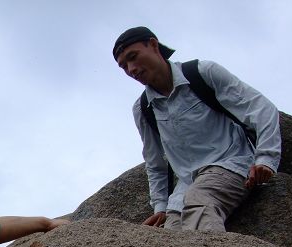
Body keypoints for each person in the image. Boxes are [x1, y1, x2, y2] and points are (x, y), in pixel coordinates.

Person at [113, 26, 281, 231]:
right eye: (123, 66)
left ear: (154, 45)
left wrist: (265, 158)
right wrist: (160, 207)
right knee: (170, 236)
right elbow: (154, 162)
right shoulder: (143, 108)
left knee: (200, 200)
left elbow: (261, 109)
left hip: (231, 163)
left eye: (133, 56)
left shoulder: (202, 73)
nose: (131, 69)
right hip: (186, 185)